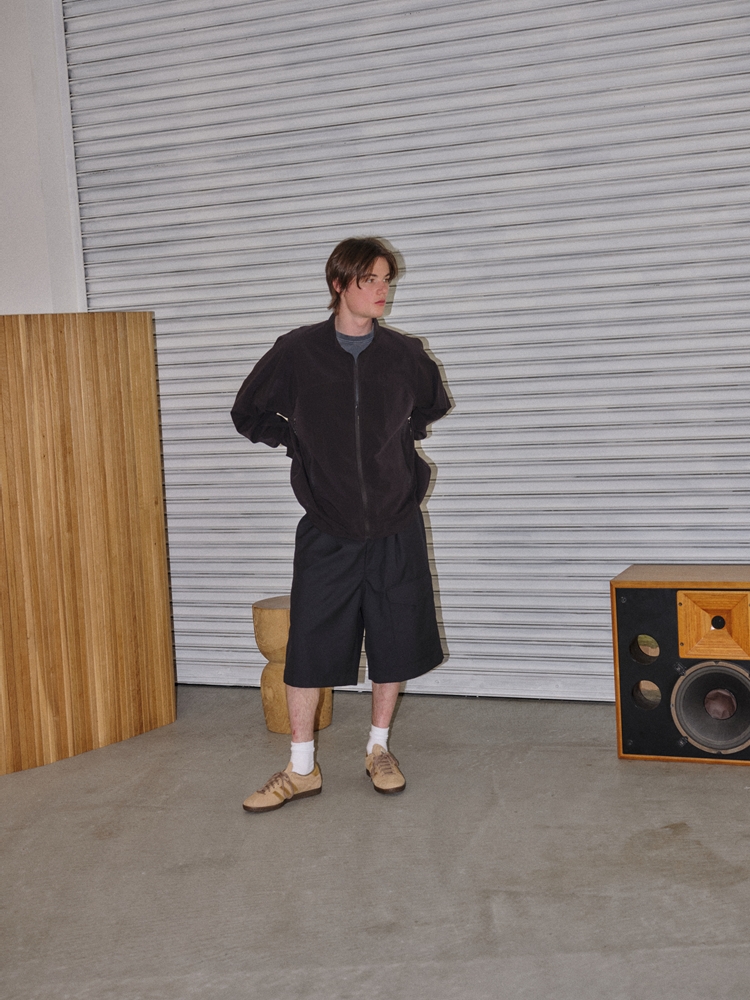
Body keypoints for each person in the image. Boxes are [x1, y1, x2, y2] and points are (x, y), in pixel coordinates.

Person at [231, 236, 450, 812]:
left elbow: (431, 405)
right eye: (370, 280)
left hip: (395, 521)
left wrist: (396, 445)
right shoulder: (298, 351)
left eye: (386, 280)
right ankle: (301, 767)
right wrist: (296, 442)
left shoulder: (404, 354)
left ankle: (379, 749)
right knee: (309, 644)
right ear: (339, 284)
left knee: (394, 639)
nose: (382, 291)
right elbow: (247, 413)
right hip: (328, 525)